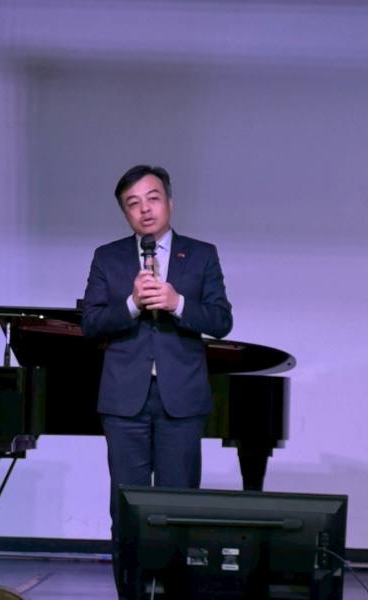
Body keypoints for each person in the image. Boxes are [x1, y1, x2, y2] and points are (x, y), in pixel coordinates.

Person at [81, 164, 233, 595]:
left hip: (180, 403)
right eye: (133, 204)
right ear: (125, 213)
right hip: (123, 405)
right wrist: (131, 303)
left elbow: (221, 320)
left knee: (180, 511)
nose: (145, 209)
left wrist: (177, 302)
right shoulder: (107, 257)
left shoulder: (201, 255)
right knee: (125, 511)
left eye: (152, 198)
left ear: (169, 201)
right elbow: (91, 324)